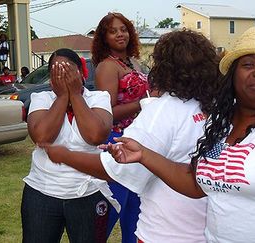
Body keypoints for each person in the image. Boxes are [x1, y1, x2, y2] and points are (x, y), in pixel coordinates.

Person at [103, 27, 255, 242]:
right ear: (232, 75)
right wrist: (144, 155)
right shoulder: (219, 123)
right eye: (248, 64)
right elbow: (196, 184)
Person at [41, 29, 222, 242]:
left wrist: (64, 155)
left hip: (168, 233)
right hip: (211, 230)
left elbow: (115, 169)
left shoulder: (163, 112)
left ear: (165, 68)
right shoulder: (218, 108)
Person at [21, 48, 117, 243]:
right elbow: (41, 136)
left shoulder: (98, 98)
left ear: (81, 73)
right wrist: (63, 97)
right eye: (56, 72)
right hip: (42, 192)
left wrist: (75, 95)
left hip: (88, 192)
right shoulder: (42, 99)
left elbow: (95, 135)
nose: (63, 76)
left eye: (68, 70)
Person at [91, 12, 149, 242]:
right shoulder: (107, 67)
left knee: (135, 215)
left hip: (138, 143)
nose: (120, 34)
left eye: (123, 29)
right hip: (117, 143)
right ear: (104, 38)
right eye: (113, 31)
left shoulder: (134, 62)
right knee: (110, 210)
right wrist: (143, 103)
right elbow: (108, 113)